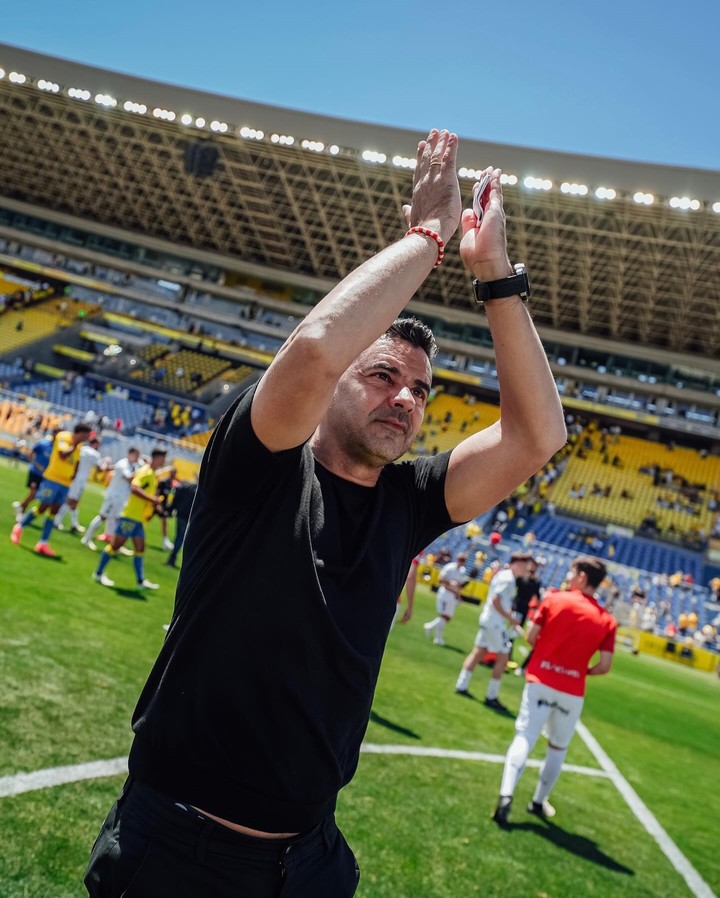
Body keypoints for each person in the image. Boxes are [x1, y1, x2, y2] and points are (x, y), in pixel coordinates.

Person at [85, 129, 566, 897]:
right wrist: (430, 234)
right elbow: (311, 349)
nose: (405, 399)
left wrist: (496, 275)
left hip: (309, 861)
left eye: (419, 391)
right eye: (383, 375)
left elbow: (538, 436)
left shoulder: (410, 502)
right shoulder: (262, 465)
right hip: (179, 847)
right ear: (343, 377)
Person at [492, 555, 616, 825]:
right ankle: (537, 802)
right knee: (557, 748)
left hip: (540, 679)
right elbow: (604, 666)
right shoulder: (607, 619)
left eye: (572, 573)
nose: (569, 577)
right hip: (572, 690)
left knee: (525, 736)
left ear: (582, 577)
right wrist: (581, 671)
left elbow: (531, 636)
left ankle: (506, 794)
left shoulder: (554, 599)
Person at [455, 552, 533, 709]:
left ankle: (461, 685)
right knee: (503, 658)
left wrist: (510, 617)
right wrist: (510, 618)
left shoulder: (505, 576)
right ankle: (492, 695)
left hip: (490, 620)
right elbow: (496, 600)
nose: (527, 570)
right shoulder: (507, 578)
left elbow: (501, 601)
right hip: (495, 622)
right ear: (518, 564)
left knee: (478, 652)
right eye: (525, 566)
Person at [10, 423, 92, 557]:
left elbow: (76, 462)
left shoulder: (79, 447)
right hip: (52, 480)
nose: (86, 438)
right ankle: (19, 527)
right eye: (85, 435)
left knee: (55, 510)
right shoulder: (63, 437)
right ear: (79, 433)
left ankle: (43, 542)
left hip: (65, 483)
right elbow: (63, 455)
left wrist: (74, 474)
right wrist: (75, 445)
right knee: (43, 507)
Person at [92, 447, 168, 590]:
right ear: (157, 458)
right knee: (115, 546)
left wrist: (154, 503)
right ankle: (98, 573)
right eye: (163, 458)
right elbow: (134, 488)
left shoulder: (151, 474)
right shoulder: (145, 472)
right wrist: (153, 499)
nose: (164, 461)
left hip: (138, 519)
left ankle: (140, 581)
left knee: (140, 548)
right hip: (130, 517)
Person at [81, 447, 141, 551]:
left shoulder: (132, 466)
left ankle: (116, 545)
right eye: (136, 455)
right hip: (114, 496)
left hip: (121, 497)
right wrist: (141, 472)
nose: (137, 458)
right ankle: (86, 538)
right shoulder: (124, 464)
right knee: (102, 517)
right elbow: (129, 478)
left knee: (117, 520)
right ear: (130, 454)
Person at [54, 435, 106, 533]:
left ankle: (74, 523)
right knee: (71, 500)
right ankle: (57, 521)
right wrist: (106, 463)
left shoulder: (82, 449)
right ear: (95, 443)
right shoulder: (95, 454)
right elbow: (100, 469)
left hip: (75, 476)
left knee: (74, 501)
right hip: (81, 479)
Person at [423, 550, 469, 645]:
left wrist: (458, 595)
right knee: (444, 616)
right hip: (445, 593)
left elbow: (459, 586)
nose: (461, 562)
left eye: (463, 560)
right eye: (460, 559)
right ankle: (437, 637)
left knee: (447, 617)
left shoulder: (463, 571)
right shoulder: (449, 567)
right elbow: (441, 579)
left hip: (452, 595)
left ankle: (431, 628)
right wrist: (450, 583)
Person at [11, 429, 57, 522]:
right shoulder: (43, 444)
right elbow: (30, 455)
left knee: (36, 496)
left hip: (46, 475)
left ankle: (20, 505)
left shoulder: (58, 449)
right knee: (33, 493)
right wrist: (37, 465)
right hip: (35, 472)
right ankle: (21, 512)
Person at [164, 477, 198, 568]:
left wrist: (170, 509)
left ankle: (172, 558)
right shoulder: (198, 491)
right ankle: (173, 559)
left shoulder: (187, 486)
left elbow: (177, 497)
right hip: (189, 517)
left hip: (181, 514)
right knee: (181, 538)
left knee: (179, 537)